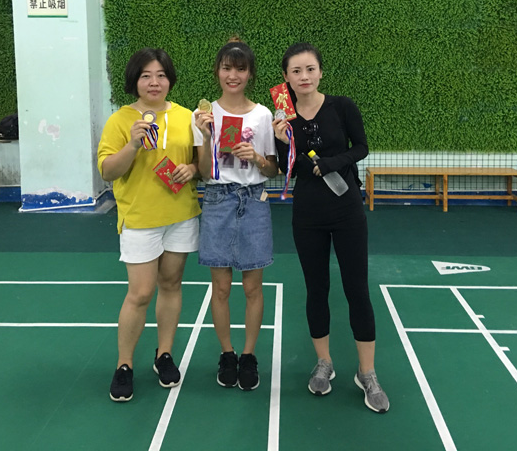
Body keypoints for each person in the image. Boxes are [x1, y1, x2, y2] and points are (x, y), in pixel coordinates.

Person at [272, 42, 390, 413]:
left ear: (320, 71)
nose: (304, 76)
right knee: (316, 288)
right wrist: (282, 143)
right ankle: (324, 362)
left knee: (357, 289)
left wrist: (332, 162)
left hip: (346, 210)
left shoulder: (342, 106)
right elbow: (286, 168)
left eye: (310, 69)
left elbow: (362, 147)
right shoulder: (283, 119)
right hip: (307, 214)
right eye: (296, 71)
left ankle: (367, 373)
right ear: (286, 78)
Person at [97, 48, 201, 403]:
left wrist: (193, 169)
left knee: (171, 285)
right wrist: (132, 144)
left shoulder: (187, 117)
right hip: (140, 219)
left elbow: (200, 164)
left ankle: (164, 354)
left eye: (161, 75)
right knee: (140, 293)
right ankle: (124, 364)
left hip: (181, 215)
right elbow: (108, 171)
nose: (154, 82)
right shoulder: (120, 120)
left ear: (170, 79)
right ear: (135, 81)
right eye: (146, 76)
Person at [193, 39, 278, 391]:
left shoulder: (263, 115)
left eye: (240, 69)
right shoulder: (203, 115)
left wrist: (255, 157)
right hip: (217, 200)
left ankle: (249, 354)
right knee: (221, 287)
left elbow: (272, 169)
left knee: (253, 286)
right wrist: (206, 136)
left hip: (254, 200)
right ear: (217, 71)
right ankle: (227, 353)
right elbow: (203, 173)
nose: (233, 75)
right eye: (227, 68)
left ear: (250, 74)